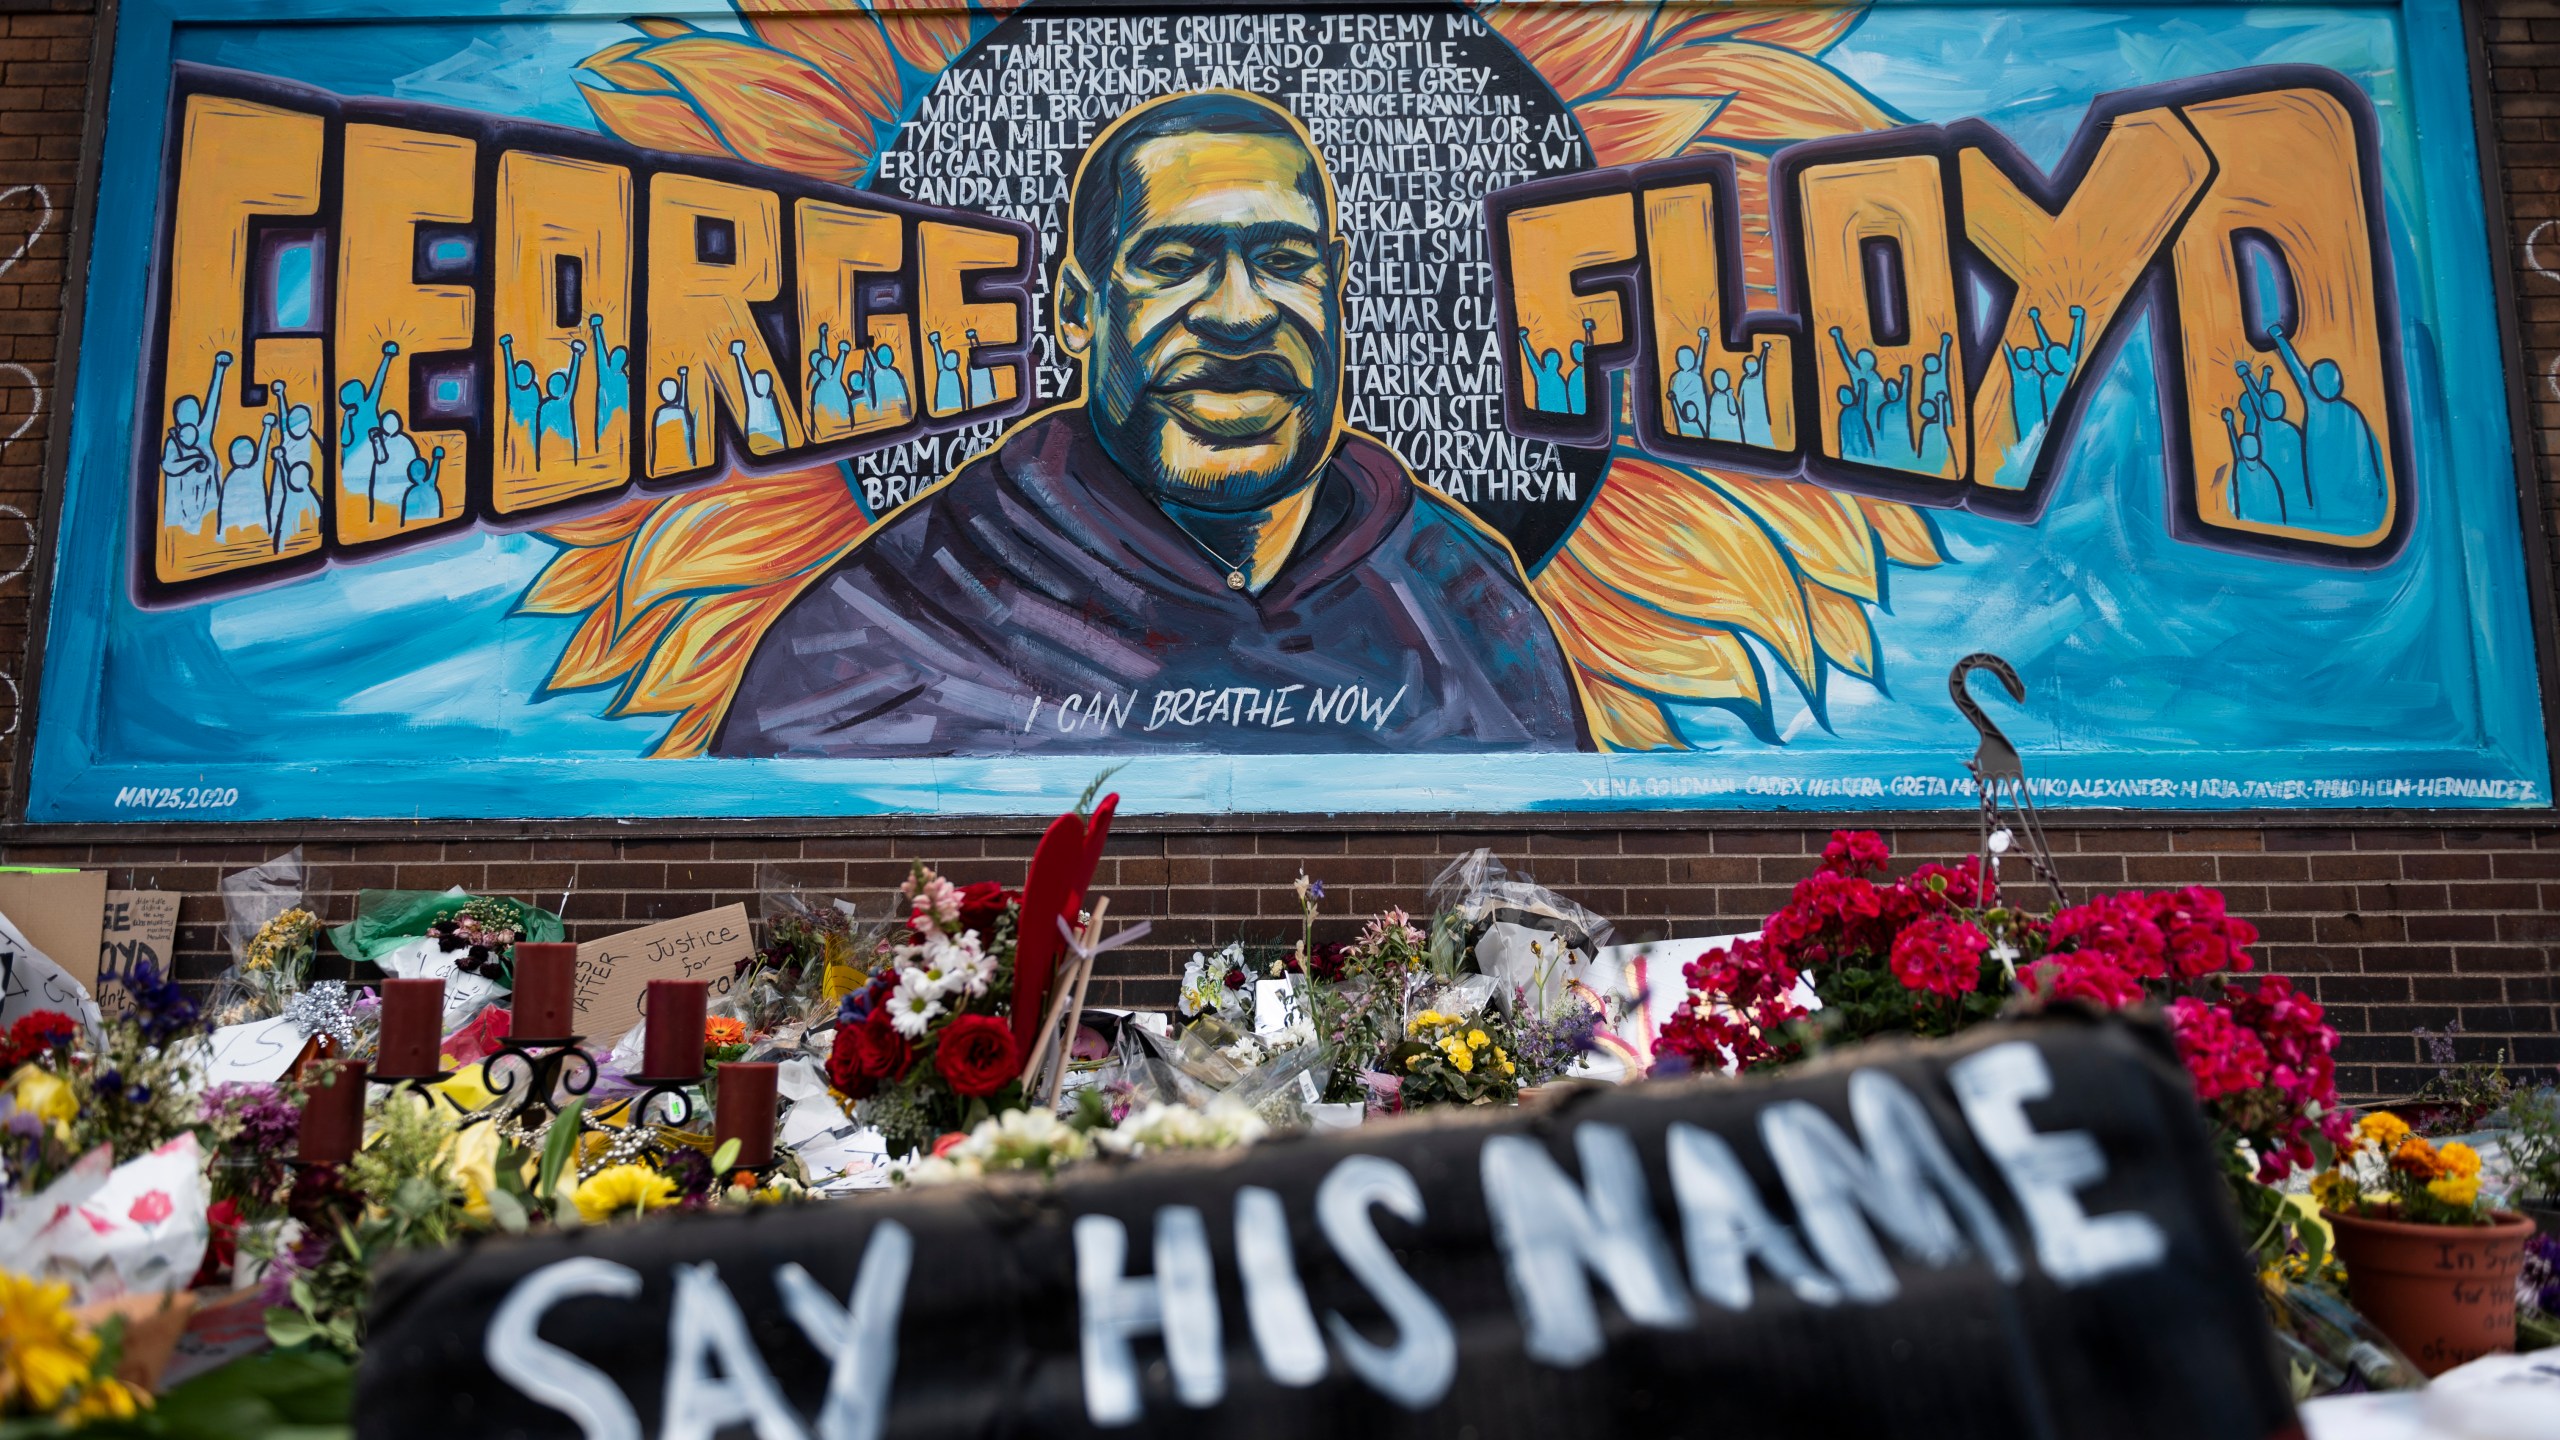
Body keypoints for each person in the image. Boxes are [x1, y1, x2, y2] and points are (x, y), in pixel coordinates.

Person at [714, 92, 1585, 757]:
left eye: (1284, 260)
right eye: (1173, 263)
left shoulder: (1463, 601)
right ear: (1077, 310)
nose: (1240, 316)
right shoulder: (890, 625)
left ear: (1337, 281)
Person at [651, 368, 696, 468]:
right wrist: (683, 376)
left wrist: (683, 377)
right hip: (682, 461)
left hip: (662, 463)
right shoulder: (680, 411)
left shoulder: (659, 413)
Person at [1667, 345, 1709, 438]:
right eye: (1684, 358)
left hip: (1699, 407)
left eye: (1690, 357)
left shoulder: (1695, 372)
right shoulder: (1677, 377)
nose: (1688, 360)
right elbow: (1674, 397)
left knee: (1702, 429)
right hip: (1685, 410)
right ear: (1679, 360)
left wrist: (1703, 339)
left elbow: (1701, 359)